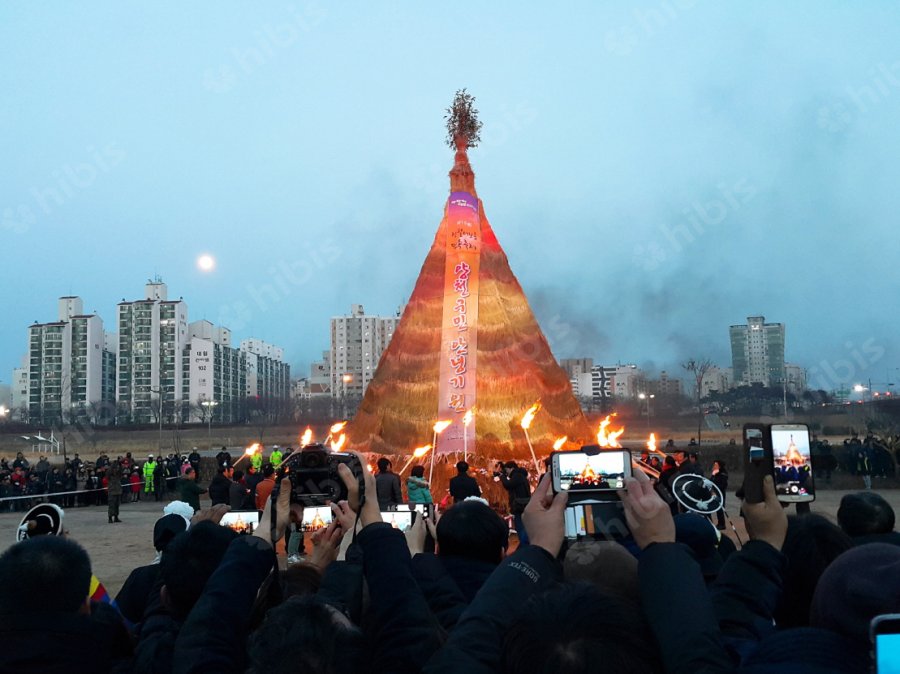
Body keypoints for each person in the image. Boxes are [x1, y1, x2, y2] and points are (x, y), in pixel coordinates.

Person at [498, 460, 531, 545]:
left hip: (520, 505)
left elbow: (508, 485)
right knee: (522, 525)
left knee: (520, 525)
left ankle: (524, 545)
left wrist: (502, 476)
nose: (506, 472)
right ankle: (524, 544)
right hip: (523, 504)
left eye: (507, 470)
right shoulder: (520, 475)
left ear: (511, 468)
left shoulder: (517, 476)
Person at [710, 459, 728, 530]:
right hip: (714, 493)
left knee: (720, 508)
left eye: (716, 465)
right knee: (717, 508)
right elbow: (710, 481)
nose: (714, 466)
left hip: (720, 493)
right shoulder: (715, 473)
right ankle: (719, 523)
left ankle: (722, 524)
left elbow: (723, 484)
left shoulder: (723, 474)